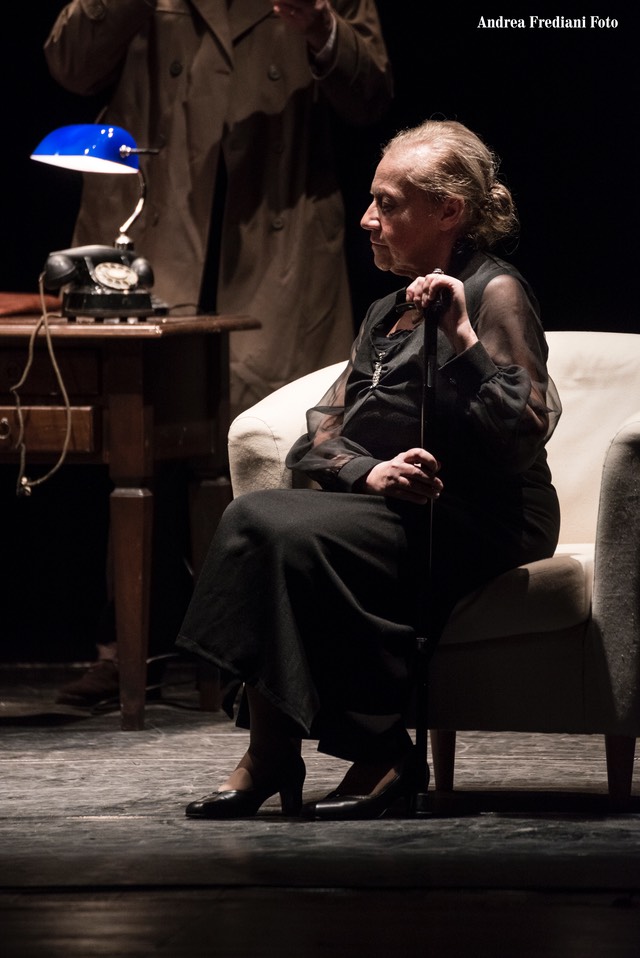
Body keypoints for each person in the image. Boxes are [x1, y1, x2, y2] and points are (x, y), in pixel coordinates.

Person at [175, 118, 562, 820]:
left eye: (388, 203)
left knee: (273, 526)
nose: (366, 219)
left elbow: (524, 430)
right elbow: (319, 437)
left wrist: (462, 336)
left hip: (487, 514)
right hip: (395, 505)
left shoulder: (494, 290)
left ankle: (358, 753)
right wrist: (373, 472)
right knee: (259, 521)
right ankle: (286, 752)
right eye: (372, 200)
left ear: (449, 211)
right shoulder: (388, 311)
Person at [43, 0, 392, 706]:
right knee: (136, 440)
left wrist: (321, 28)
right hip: (155, 224)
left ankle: (262, 652)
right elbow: (71, 63)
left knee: (275, 439)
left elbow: (372, 95)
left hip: (277, 235)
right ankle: (129, 647)